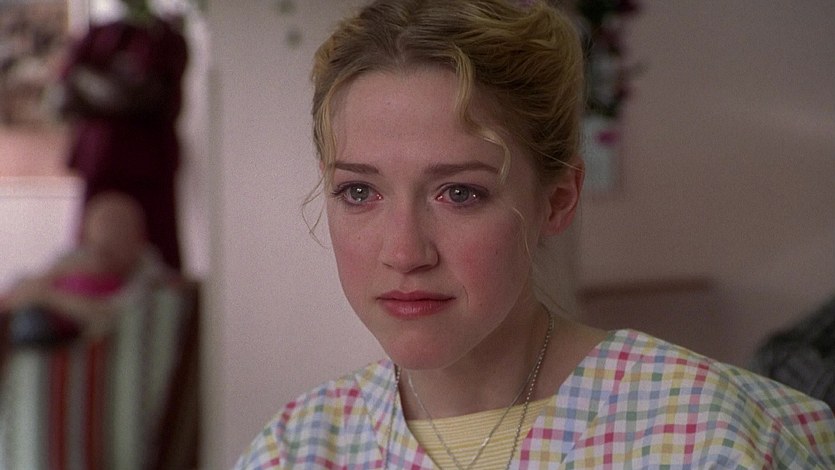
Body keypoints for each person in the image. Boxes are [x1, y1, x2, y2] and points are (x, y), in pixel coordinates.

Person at [236, 1, 835, 468]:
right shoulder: (296, 450)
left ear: (557, 199)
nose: (404, 252)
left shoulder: (707, 435)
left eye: (459, 193)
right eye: (359, 192)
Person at [58, 0, 188, 270]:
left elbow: (156, 98)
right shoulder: (96, 36)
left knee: (158, 250)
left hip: (149, 164)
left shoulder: (165, 39)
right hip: (102, 159)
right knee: (93, 253)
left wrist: (100, 92)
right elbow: (68, 93)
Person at [1, 190, 174, 344]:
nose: (105, 255)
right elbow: (28, 287)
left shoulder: (147, 276)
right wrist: (59, 274)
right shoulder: (77, 259)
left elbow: (109, 317)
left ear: (139, 239)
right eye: (101, 247)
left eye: (119, 233)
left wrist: (48, 297)